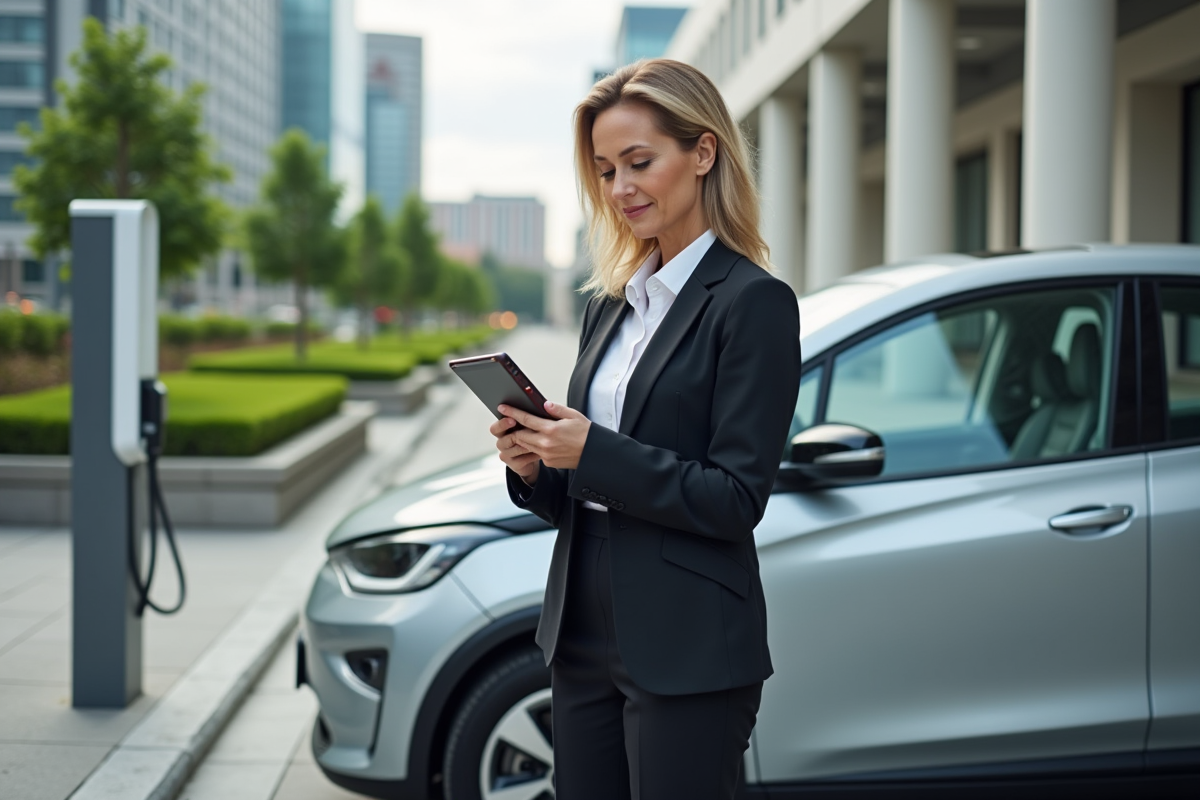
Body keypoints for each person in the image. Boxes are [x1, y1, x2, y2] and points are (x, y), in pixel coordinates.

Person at [490, 58, 801, 800]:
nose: (620, 188)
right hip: (580, 626)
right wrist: (537, 467)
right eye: (603, 170)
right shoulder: (609, 306)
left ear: (702, 153)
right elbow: (584, 487)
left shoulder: (752, 303)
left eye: (639, 162)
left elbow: (734, 498)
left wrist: (593, 451)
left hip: (688, 635)